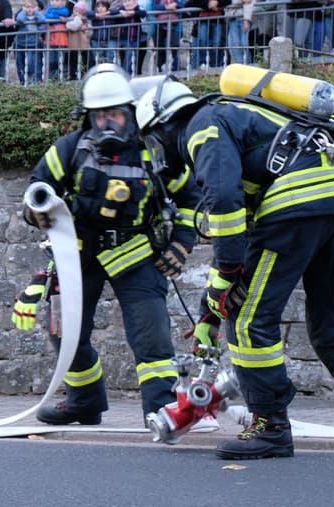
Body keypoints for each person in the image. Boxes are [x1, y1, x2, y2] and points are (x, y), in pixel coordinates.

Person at [134, 77, 334, 460]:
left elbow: (225, 201)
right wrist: (210, 311)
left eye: (152, 141)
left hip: (297, 204)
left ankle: (269, 426)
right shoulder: (246, 117)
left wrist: (224, 276)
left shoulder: (201, 124)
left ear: (165, 125)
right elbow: (252, 241)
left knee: (250, 323)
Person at [19, 65, 202, 426]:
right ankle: (84, 402)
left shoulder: (155, 153)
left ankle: (161, 411)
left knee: (152, 337)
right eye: (101, 116)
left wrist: (181, 242)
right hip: (78, 255)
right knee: (65, 333)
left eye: (116, 114)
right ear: (89, 117)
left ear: (131, 113)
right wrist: (34, 213)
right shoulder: (68, 149)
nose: (109, 123)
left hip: (135, 255)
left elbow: (190, 199)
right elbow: (36, 190)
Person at [109, 0, 146, 75]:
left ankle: (128, 73)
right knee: (127, 55)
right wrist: (120, 12)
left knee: (133, 56)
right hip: (124, 38)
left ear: (135, 2)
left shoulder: (138, 8)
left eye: (129, 1)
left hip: (135, 37)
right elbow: (112, 11)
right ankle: (124, 73)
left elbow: (144, 13)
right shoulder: (122, 8)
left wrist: (133, 12)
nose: (127, 3)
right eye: (125, 1)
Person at [13, 0, 45, 84]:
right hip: (20, 43)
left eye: (32, 7)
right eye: (27, 7)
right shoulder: (22, 15)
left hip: (33, 44)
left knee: (31, 64)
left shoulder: (37, 16)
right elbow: (20, 19)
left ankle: (32, 82)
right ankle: (22, 82)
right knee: (20, 65)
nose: (29, 9)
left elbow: (42, 20)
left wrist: (36, 11)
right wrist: (24, 11)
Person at [150, 0, 182, 72]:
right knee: (160, 47)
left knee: (174, 46)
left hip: (173, 25)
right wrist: (166, 7)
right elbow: (154, 7)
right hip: (160, 25)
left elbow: (181, 5)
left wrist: (175, 5)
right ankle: (160, 68)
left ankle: (176, 68)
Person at [86, 0, 117, 65]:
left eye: (103, 6)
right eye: (98, 6)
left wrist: (107, 13)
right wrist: (96, 15)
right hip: (96, 41)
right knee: (97, 60)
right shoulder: (94, 14)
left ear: (107, 7)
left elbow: (117, 11)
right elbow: (87, 13)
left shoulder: (110, 14)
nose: (100, 8)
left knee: (110, 59)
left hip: (108, 40)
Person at [43, 0, 69, 79]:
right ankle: (51, 80)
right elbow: (46, 16)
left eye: (57, 0)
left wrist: (53, 14)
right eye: (52, 0)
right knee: (51, 62)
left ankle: (60, 80)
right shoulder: (49, 9)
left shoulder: (64, 9)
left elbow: (65, 13)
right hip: (50, 40)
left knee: (60, 61)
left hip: (61, 41)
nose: (53, 2)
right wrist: (58, 17)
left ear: (62, 2)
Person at [65, 0, 91, 78]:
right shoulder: (71, 19)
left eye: (78, 11)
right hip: (73, 45)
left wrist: (85, 28)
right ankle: (72, 76)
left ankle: (85, 75)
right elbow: (72, 26)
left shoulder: (86, 20)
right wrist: (78, 20)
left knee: (86, 61)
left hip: (84, 44)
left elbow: (90, 32)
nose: (76, 12)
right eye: (75, 10)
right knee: (73, 61)